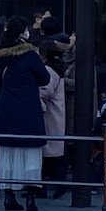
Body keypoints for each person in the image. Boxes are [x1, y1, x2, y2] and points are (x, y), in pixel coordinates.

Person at [0, 17, 50, 211]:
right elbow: (45, 78)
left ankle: (9, 196)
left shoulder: (0, 56)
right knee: (31, 153)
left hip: (7, 107)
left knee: (8, 153)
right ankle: (31, 198)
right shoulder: (30, 55)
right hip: (29, 107)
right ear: (23, 32)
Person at [39, 40, 67, 197]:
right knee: (56, 153)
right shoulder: (59, 67)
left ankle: (44, 187)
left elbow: (44, 91)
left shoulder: (48, 70)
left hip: (49, 114)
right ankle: (58, 185)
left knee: (48, 153)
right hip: (57, 114)